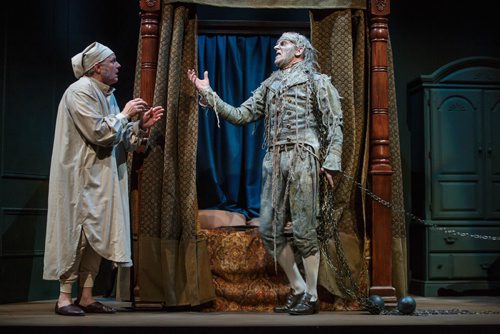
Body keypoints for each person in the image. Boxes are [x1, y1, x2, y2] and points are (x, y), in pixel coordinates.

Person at [188, 32, 343, 315]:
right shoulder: (270, 86)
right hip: (273, 158)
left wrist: (331, 161)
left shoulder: (317, 82)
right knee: (270, 230)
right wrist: (207, 93)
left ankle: (311, 296)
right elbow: (239, 115)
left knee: (304, 229)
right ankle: (299, 289)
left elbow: (335, 123)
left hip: (303, 156)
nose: (276, 46)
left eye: (283, 43)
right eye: (278, 42)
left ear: (299, 51)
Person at [43, 41, 164, 316]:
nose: (118, 66)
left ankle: (86, 296)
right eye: (113, 61)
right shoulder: (79, 92)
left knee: (95, 236)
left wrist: (138, 126)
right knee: (76, 234)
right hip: (80, 176)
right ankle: (64, 298)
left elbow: (116, 138)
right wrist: (124, 114)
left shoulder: (106, 93)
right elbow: (99, 132)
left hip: (101, 177)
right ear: (98, 67)